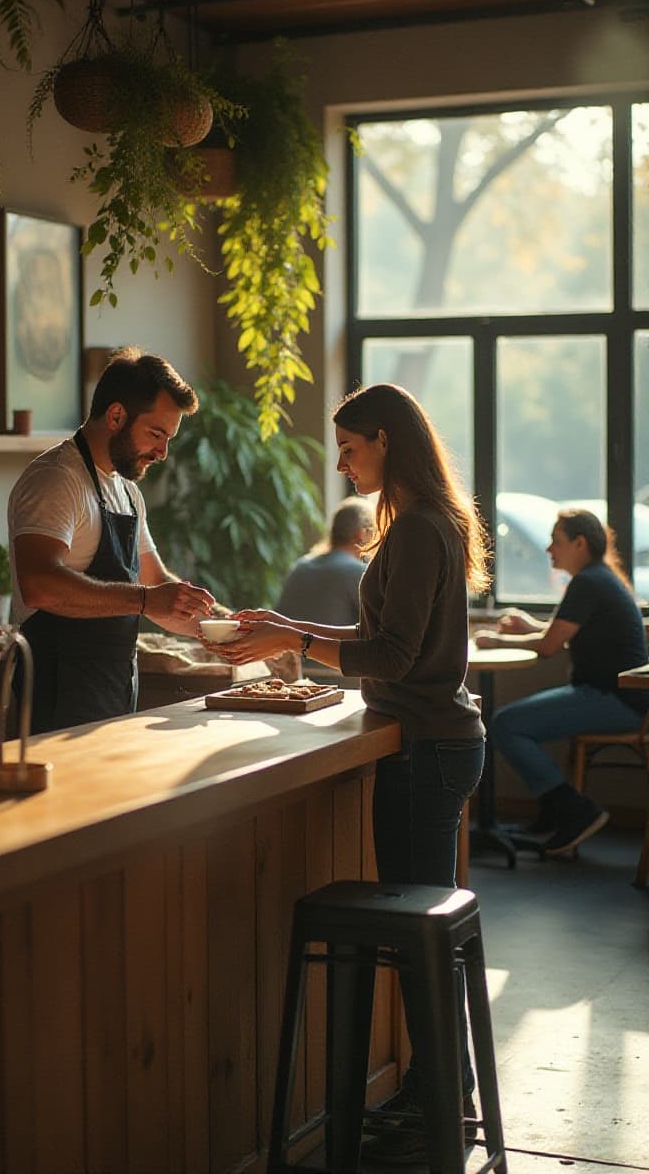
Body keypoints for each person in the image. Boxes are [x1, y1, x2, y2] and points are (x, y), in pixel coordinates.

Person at [214, 382, 490, 1164]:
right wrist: (287, 627)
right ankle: (441, 1089)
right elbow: (379, 634)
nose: (341, 465)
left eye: (348, 448)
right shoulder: (424, 522)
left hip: (428, 749)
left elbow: (390, 656)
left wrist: (293, 640)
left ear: (384, 441)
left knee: (417, 943)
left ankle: (442, 1101)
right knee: (418, 941)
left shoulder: (418, 529)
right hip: (435, 743)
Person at [8, 346, 215, 733]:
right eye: (156, 434)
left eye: (168, 438)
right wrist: (145, 600)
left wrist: (224, 628)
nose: (163, 452)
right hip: (57, 696)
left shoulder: (128, 492)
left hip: (114, 691)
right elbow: (37, 584)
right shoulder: (56, 479)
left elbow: (156, 583)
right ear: (116, 416)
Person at [474, 508, 649, 855]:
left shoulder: (588, 582)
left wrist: (497, 640)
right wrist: (528, 626)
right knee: (511, 721)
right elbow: (559, 633)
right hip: (619, 698)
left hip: (615, 701)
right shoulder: (600, 578)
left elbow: (549, 646)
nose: (548, 549)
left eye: (556, 541)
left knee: (506, 723)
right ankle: (554, 814)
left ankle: (575, 811)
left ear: (580, 543)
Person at [276, 496, 376, 627]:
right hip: (323, 641)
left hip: (286, 640)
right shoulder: (359, 573)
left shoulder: (300, 567)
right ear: (361, 534)